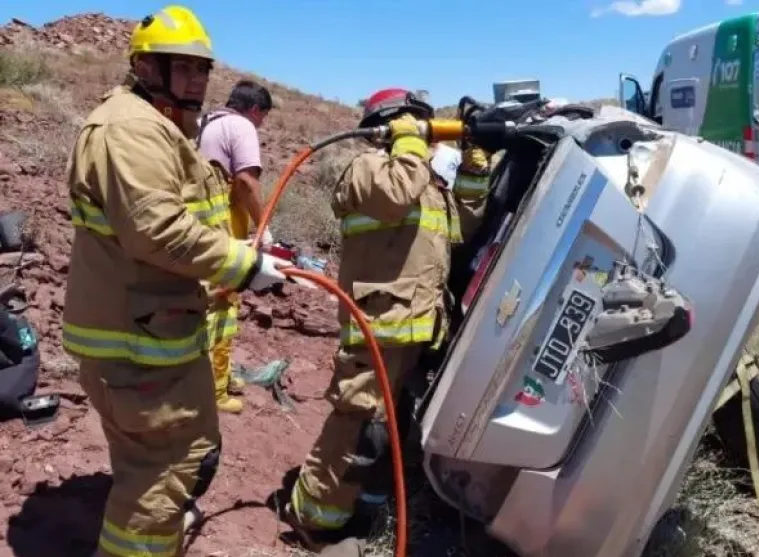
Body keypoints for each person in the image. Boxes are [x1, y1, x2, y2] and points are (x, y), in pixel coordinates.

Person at [61, 6, 288, 556]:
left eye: (202, 69)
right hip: (136, 347)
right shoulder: (130, 129)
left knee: (159, 464)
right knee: (169, 466)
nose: (197, 79)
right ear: (144, 66)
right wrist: (244, 265)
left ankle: (146, 529)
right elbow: (156, 231)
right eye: (182, 67)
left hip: (154, 333)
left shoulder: (162, 127)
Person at [276, 87, 492, 555]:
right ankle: (310, 518)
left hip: (418, 326)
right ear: (389, 126)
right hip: (379, 326)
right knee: (355, 424)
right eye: (414, 121)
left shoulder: (425, 180)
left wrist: (475, 169)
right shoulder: (365, 170)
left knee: (388, 433)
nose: (426, 132)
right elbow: (396, 195)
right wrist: (411, 143)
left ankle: (366, 508)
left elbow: (462, 229)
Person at [196, 79, 275, 414]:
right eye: (263, 117)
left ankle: (222, 375)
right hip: (226, 227)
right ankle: (214, 391)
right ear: (255, 110)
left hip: (206, 227)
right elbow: (245, 181)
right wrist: (264, 228)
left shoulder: (207, 123)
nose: (261, 124)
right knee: (223, 307)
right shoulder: (241, 126)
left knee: (220, 304)